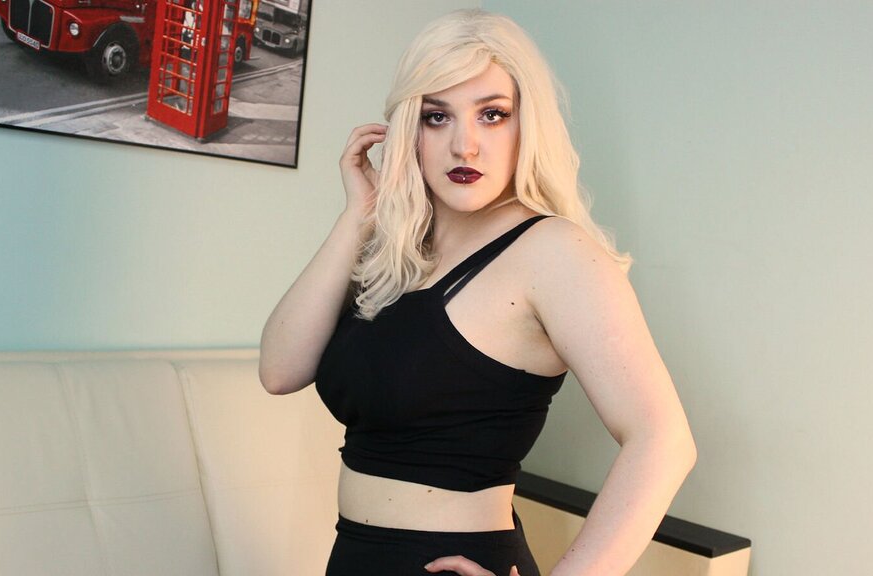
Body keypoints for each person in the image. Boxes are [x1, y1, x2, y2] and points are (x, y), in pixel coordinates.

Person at [259, 9, 696, 576]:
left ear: (526, 124)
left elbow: (664, 440)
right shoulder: (397, 251)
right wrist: (358, 216)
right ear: (410, 130)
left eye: (492, 114)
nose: (464, 145)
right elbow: (280, 371)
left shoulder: (553, 252)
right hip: (353, 558)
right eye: (437, 117)